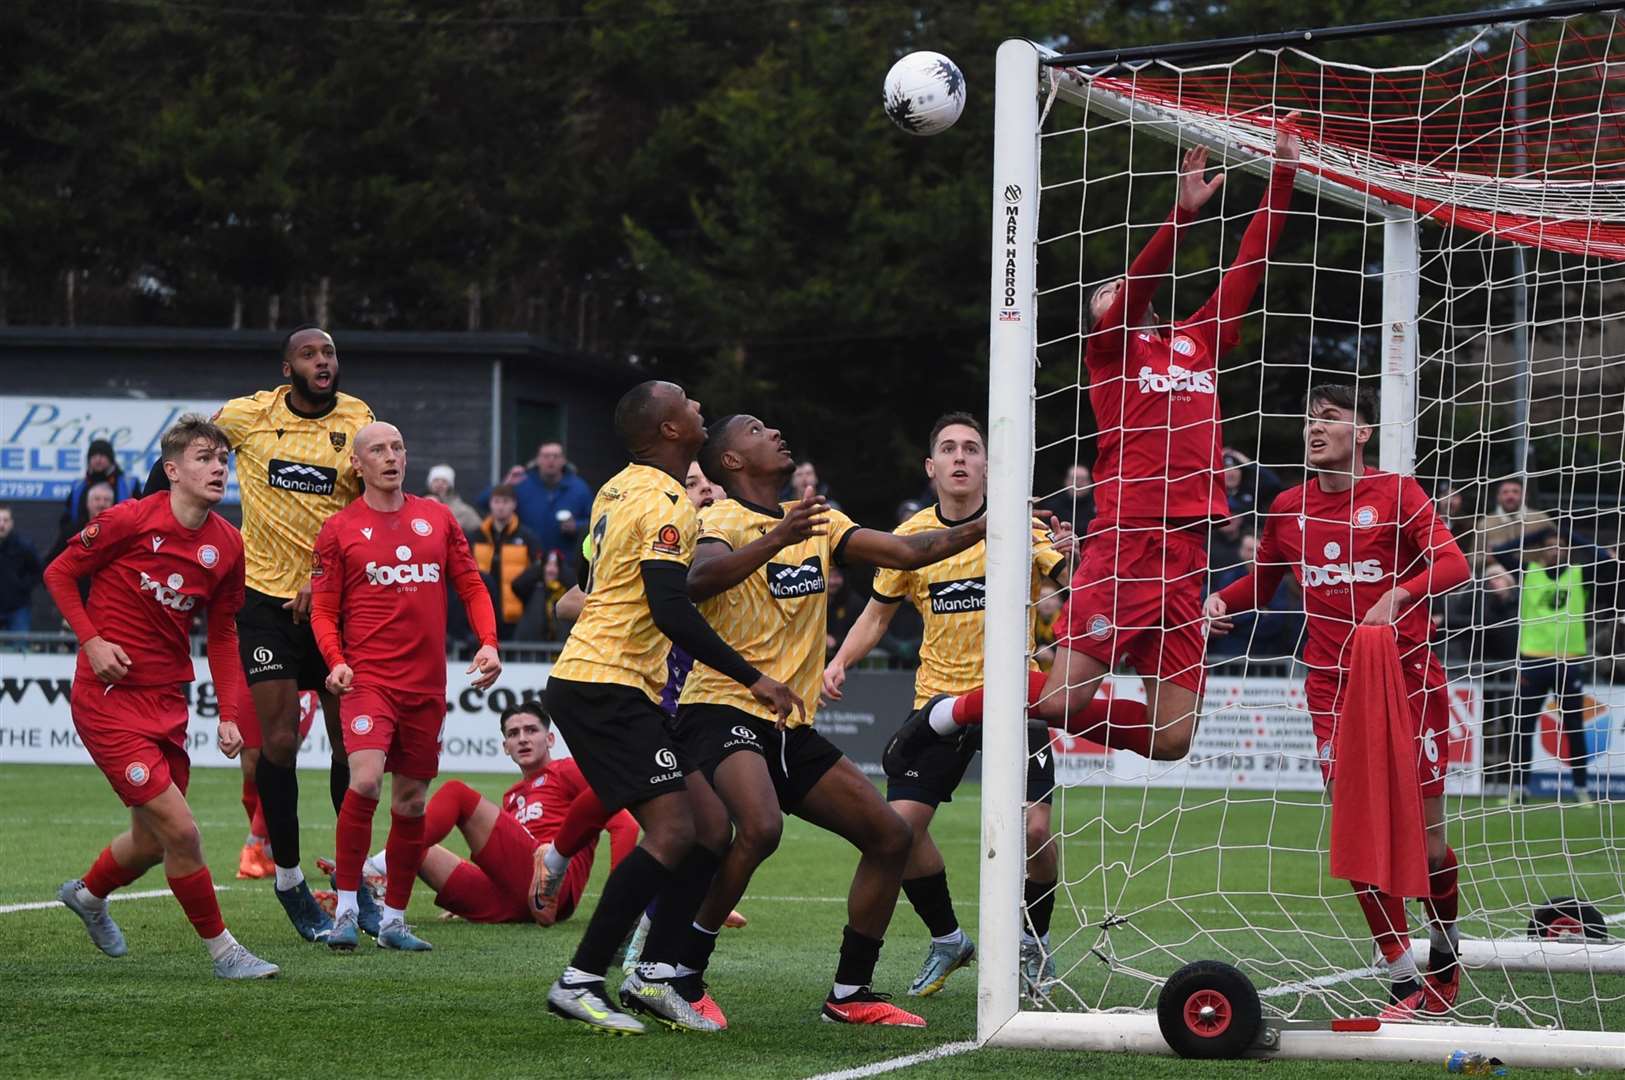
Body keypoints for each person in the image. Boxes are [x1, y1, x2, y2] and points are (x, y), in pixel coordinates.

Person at [890, 120, 1301, 764]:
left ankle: (986, 702)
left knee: (1172, 741)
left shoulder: (1199, 342)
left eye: (1117, 289)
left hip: (1189, 548)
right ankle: (949, 708)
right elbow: (1137, 286)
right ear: (1098, 320)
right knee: (1060, 704)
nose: (1116, 296)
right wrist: (1181, 216)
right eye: (1105, 296)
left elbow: (1251, 262)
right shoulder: (1109, 354)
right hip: (1126, 541)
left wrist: (1282, 174)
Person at [658, 411, 993, 1030]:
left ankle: (849, 993)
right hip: (720, 706)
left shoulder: (821, 520)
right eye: (757, 430)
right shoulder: (720, 519)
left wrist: (992, 523)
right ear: (730, 461)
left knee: (891, 836)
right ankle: (678, 973)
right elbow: (697, 581)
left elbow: (912, 549)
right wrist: (776, 540)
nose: (775, 433)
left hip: (789, 724)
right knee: (757, 828)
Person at [541, 381, 801, 1036]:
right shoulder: (669, 504)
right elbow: (670, 606)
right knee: (675, 831)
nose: (698, 408)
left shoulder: (613, 487)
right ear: (668, 430)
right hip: (604, 684)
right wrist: (754, 678)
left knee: (710, 828)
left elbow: (585, 576)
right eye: (686, 403)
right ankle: (580, 979)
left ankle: (656, 977)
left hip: (611, 681)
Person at [1205, 384, 1471, 1018]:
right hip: (1332, 686)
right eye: (1309, 419)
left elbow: (1454, 564)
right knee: (1354, 829)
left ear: (1363, 433)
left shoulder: (1398, 494)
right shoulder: (1288, 508)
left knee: (1428, 845)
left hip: (1408, 678)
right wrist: (1223, 600)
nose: (1314, 428)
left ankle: (1445, 949)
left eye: (1329, 418)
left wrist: (1400, 595)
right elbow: (1262, 584)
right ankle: (1401, 973)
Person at [823, 413, 1074, 1000]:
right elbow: (877, 615)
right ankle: (948, 938)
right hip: (939, 702)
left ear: (988, 466)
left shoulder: (1022, 527)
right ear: (931, 468)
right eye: (948, 449)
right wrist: (840, 662)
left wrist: (1072, 553)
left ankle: (1032, 944)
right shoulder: (910, 537)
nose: (961, 457)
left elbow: (1067, 583)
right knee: (898, 832)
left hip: (1015, 699)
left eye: (972, 449)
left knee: (1035, 827)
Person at [44, 414, 278, 978]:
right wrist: (93, 641)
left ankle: (89, 895)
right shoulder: (127, 520)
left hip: (166, 702)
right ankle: (225, 953)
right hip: (106, 697)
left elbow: (222, 633)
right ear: (172, 470)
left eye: (223, 459)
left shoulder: (227, 545)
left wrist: (228, 712)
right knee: (183, 831)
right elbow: (58, 573)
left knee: (150, 842)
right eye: (204, 458)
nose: (218, 467)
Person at [310, 421, 503, 952]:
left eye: (397, 448)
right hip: (367, 680)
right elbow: (323, 610)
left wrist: (488, 641)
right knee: (366, 779)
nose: (391, 457)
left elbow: (470, 583)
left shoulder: (437, 519)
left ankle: (394, 920)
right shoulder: (338, 529)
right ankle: (348, 908)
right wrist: (335, 660)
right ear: (358, 464)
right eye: (378, 450)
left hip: (426, 685)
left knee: (413, 802)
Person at [213, 324, 375, 942]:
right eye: (309, 353)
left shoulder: (359, 420)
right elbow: (182, 455)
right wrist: (151, 523)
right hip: (263, 602)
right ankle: (287, 878)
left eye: (329, 352)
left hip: (336, 606)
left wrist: (325, 572)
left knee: (346, 748)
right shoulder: (248, 415)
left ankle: (350, 884)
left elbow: (369, 506)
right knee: (278, 744)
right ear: (289, 368)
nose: (322, 360)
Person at [362, 703, 639, 925]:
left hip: (554, 886)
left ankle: (375, 866)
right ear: (505, 747)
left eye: (531, 730)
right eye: (513, 734)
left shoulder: (566, 770)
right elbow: (507, 858)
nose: (523, 739)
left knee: (457, 793)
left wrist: (621, 900)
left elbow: (624, 824)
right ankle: (370, 896)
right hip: (517, 899)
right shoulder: (512, 796)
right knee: (419, 850)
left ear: (550, 738)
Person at [1506, 525, 1597, 804]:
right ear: (1541, 550)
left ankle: (1581, 787)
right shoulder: (1529, 572)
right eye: (1549, 545)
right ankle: (1519, 789)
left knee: (1574, 727)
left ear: (1568, 549)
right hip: (1533, 661)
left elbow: (1604, 558)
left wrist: (1568, 530)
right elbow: (1500, 551)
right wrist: (1541, 531)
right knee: (1523, 727)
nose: (1554, 549)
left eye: (1560, 545)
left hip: (1568, 662)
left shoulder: (1580, 573)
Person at [492, 441, 593, 572]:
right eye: (546, 456)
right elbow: (484, 502)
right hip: (528, 564)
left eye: (556, 456)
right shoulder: (522, 484)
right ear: (538, 460)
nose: (551, 460)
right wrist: (506, 483)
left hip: (566, 565)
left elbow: (593, 522)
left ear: (563, 460)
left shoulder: (579, 488)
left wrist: (576, 526)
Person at [470, 483, 543, 640]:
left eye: (505, 502)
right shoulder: (476, 536)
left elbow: (536, 570)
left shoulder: (527, 537)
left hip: (515, 613)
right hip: (483, 610)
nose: (500, 507)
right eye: (497, 501)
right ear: (490, 504)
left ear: (514, 504)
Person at [62, 437, 140, 532]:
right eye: (94, 456)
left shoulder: (129, 485)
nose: (98, 460)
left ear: (111, 459)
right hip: (84, 540)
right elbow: (67, 518)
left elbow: (140, 517)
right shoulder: (78, 486)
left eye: (102, 455)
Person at [1478, 478, 1553, 554]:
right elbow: (1473, 559)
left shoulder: (1541, 519)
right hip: (1497, 565)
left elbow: (1558, 548)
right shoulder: (1485, 524)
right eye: (1505, 492)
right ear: (1498, 497)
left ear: (1525, 496)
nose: (1510, 496)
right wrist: (1488, 558)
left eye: (1515, 492)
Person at [0, 505, 42, 632]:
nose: (1, 524)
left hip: (18, 609)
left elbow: (38, 570)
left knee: (19, 651)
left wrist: (22, 586)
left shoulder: (24, 546)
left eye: (5, 520)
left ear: (11, 523)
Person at [1036, 463, 1095, 538]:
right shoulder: (1051, 506)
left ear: (1090, 483)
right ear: (1066, 481)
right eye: (1074, 479)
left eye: (1083, 479)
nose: (1078, 483)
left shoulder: (1098, 507)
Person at [426, 463, 482, 533]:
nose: (439, 484)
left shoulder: (462, 510)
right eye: (436, 480)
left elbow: (479, 527)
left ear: (450, 486)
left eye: (444, 481)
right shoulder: (419, 505)